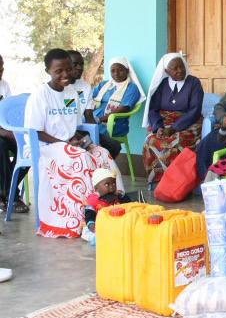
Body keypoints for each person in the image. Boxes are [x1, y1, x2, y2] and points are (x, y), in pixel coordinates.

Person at [25, 49, 124, 238]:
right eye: (58, 71)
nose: (65, 75)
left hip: (68, 143)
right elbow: (36, 132)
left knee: (102, 153)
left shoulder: (71, 92)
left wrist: (77, 140)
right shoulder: (40, 95)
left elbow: (70, 122)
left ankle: (115, 205)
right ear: (48, 71)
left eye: (68, 70)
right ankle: (83, 217)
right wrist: (65, 143)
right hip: (45, 146)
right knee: (80, 157)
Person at [141, 53, 203, 184]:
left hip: (188, 122)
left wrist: (174, 128)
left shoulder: (193, 82)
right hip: (163, 122)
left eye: (181, 67)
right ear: (166, 71)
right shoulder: (163, 84)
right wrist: (158, 127)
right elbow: (153, 108)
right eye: (174, 68)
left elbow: (195, 109)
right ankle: (157, 181)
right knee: (150, 141)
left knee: (175, 142)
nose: (179, 71)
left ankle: (176, 183)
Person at [91, 57, 145, 159]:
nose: (116, 73)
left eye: (120, 70)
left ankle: (98, 163)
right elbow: (89, 97)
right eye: (113, 71)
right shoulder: (105, 84)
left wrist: (99, 119)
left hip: (115, 123)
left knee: (89, 133)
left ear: (127, 71)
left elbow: (123, 108)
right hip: (94, 119)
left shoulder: (131, 88)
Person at [81, 168, 131, 243]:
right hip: (97, 225)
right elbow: (89, 214)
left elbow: (128, 204)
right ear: (97, 188)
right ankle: (96, 238)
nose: (111, 187)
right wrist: (91, 224)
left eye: (114, 184)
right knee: (86, 233)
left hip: (113, 224)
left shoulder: (116, 196)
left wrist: (123, 196)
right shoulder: (92, 200)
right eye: (107, 185)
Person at [0, 55, 23, 212]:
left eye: (2, 66)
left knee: (26, 147)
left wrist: (9, 131)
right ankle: (12, 195)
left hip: (3, 129)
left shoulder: (4, 84)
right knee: (0, 146)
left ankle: (6, 190)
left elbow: (7, 112)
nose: (1, 70)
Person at [66, 50, 95, 121]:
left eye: (81, 65)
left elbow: (89, 117)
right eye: (74, 65)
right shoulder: (58, 88)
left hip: (78, 128)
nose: (79, 68)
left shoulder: (86, 87)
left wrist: (95, 131)